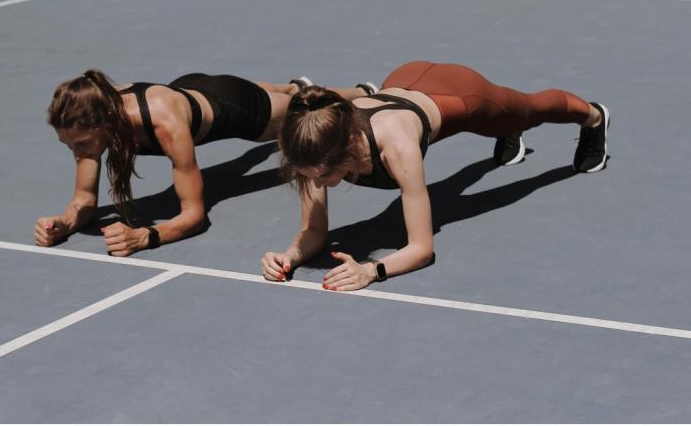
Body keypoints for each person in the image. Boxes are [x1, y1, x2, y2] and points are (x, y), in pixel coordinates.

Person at [261, 61, 609, 291]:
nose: (316, 185)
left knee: (528, 111)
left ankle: (593, 116)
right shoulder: (310, 147)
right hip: (403, 79)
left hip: (458, 92)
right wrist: (288, 257)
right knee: (494, 141)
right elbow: (316, 231)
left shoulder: (396, 148)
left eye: (323, 177)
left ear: (346, 152)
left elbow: (421, 248)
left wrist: (371, 270)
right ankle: (503, 132)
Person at [35, 70, 377, 256]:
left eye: (80, 143)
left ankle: (359, 93)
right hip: (189, 87)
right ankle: (290, 84)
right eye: (69, 145)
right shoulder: (93, 125)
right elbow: (83, 200)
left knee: (301, 111)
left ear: (107, 120)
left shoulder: (163, 122)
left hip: (233, 107)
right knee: (277, 94)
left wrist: (145, 236)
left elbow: (194, 216)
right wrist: (64, 222)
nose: (78, 152)